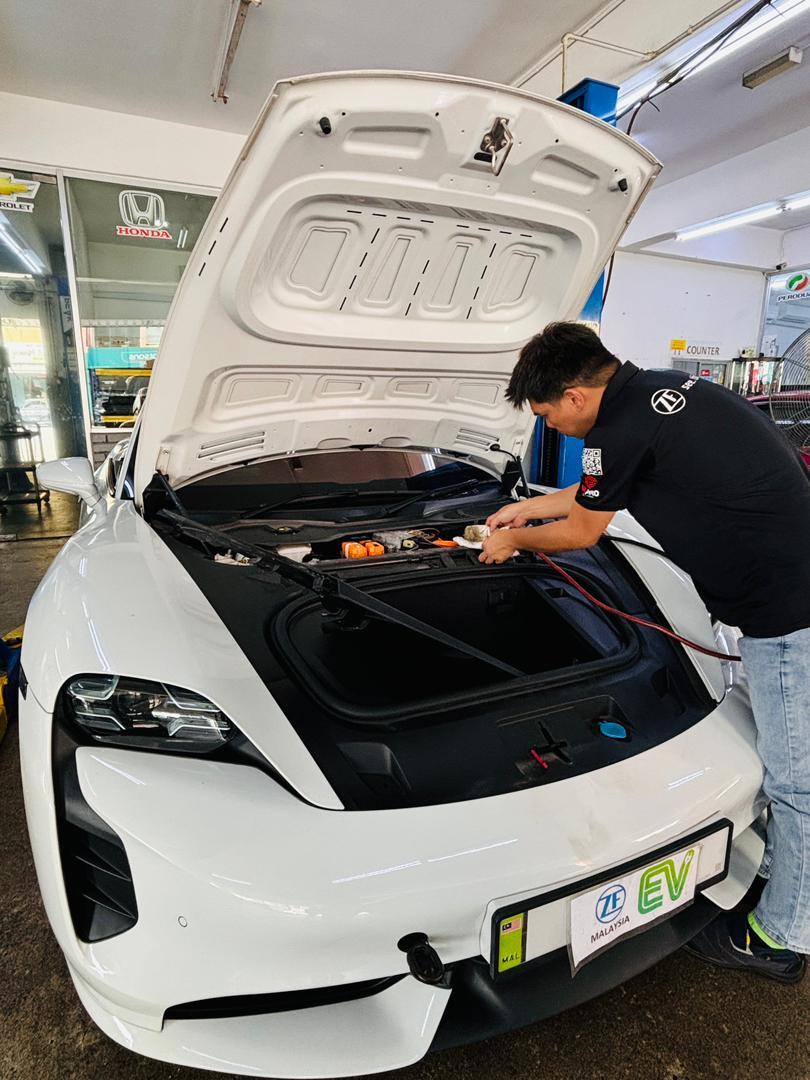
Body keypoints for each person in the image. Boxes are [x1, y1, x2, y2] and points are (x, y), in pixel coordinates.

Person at [483, 321, 809, 983]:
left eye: (547, 415)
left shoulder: (616, 430)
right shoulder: (663, 393)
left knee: (795, 781)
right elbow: (598, 492)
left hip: (788, 618)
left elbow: (582, 531)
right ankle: (784, 877)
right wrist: (526, 511)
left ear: (575, 396)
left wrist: (513, 542)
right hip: (791, 590)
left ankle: (780, 938)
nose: (551, 428)